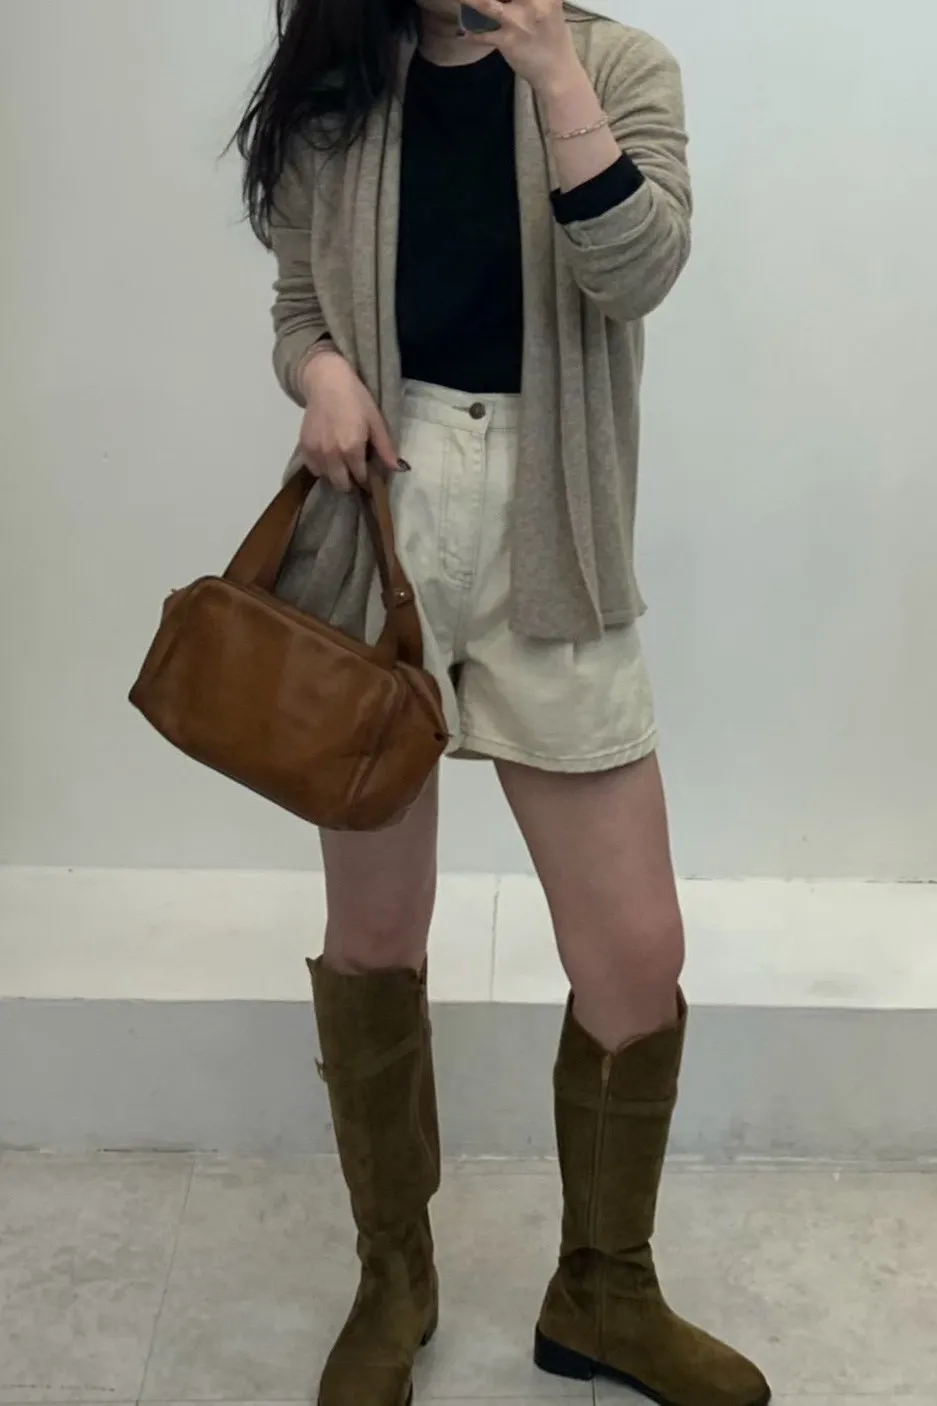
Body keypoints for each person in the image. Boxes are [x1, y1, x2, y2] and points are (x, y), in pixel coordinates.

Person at [234, 2, 771, 1404]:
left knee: (635, 953)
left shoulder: (617, 65)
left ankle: (604, 1289)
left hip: (555, 532)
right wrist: (325, 374)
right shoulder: (344, 78)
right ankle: (391, 1278)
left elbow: (637, 271)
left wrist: (549, 70)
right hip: (380, 525)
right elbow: (298, 308)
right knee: (373, 936)